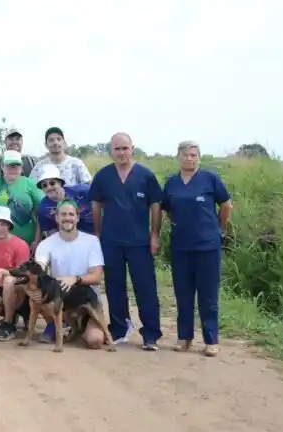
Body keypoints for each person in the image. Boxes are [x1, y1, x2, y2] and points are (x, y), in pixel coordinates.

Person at [89, 132, 163, 350]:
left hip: (140, 241)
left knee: (145, 287)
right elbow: (95, 205)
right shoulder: (103, 176)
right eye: (117, 149)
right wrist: (98, 234)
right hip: (111, 240)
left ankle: (150, 334)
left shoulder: (146, 176)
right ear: (111, 151)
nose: (121, 153)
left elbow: (156, 206)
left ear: (133, 149)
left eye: (125, 148)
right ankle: (119, 328)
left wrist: (155, 235)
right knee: (114, 286)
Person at [162, 140, 232, 357]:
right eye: (185, 155)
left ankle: (211, 340)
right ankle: (185, 338)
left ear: (199, 158)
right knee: (183, 293)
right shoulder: (172, 183)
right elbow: (168, 210)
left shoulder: (210, 179)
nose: (190, 158)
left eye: (194, 155)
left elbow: (226, 205)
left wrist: (219, 228)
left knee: (208, 295)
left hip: (207, 246)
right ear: (178, 157)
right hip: (181, 247)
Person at [31, 201, 107, 349]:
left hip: (86, 298)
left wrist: (75, 279)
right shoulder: (46, 244)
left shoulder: (92, 241)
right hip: (60, 299)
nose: (67, 218)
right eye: (63, 214)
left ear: (77, 218)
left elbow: (97, 277)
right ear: (57, 218)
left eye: (71, 214)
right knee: (41, 295)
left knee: (95, 341)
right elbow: (38, 269)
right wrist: (36, 289)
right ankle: (59, 324)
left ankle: (78, 327)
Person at [0, 206, 32, 342]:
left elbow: (23, 273)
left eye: (3, 224)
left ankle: (9, 325)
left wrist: (3, 272)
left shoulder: (21, 244)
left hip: (20, 288)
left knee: (9, 281)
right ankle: (11, 315)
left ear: (9, 225)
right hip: (1, 289)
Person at [0, 150, 44, 247]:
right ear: (2, 167)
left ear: (21, 168)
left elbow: (40, 213)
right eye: (9, 165)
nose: (13, 168)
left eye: (16, 165)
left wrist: (37, 240)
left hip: (25, 243)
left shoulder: (31, 184)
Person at [36, 165, 94, 237]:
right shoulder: (43, 208)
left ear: (60, 183)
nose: (49, 187)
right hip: (69, 240)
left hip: (94, 233)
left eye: (52, 183)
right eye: (44, 185)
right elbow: (51, 233)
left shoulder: (83, 191)